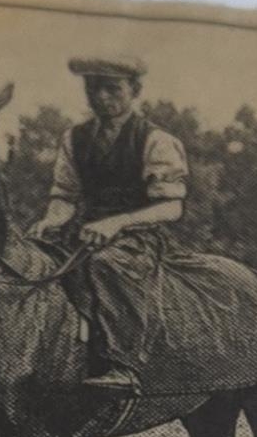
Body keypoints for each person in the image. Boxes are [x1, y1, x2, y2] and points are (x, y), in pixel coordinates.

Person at [29, 52, 189, 393]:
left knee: (106, 264)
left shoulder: (155, 141)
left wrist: (117, 224)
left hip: (137, 237)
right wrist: (50, 220)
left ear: (135, 90)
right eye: (93, 88)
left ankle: (125, 363)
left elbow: (171, 206)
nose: (101, 97)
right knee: (32, 260)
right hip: (84, 231)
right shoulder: (75, 138)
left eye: (112, 89)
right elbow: (65, 196)